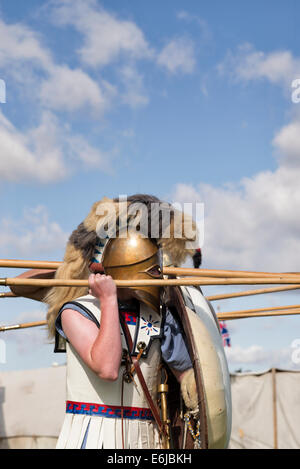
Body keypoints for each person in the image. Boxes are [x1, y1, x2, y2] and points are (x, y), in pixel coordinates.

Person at [51, 229, 197, 449]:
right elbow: (107, 369)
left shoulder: (160, 317)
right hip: (93, 436)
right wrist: (108, 299)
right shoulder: (77, 311)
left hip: (146, 438)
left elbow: (189, 380)